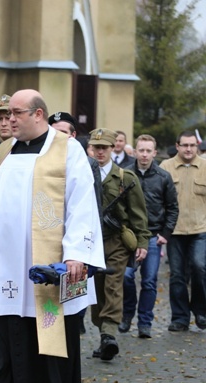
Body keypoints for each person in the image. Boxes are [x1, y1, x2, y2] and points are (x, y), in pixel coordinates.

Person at [0, 89, 105, 383]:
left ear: (38, 114)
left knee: (50, 339)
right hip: (7, 267)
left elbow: (82, 204)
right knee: (0, 337)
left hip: (48, 270)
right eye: (7, 114)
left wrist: (78, 254)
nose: (9, 120)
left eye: (16, 113)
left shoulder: (68, 150)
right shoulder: (3, 153)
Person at [88, 128, 150, 360]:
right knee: (96, 291)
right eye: (96, 147)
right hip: (90, 242)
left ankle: (109, 334)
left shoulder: (125, 178)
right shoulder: (83, 174)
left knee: (114, 285)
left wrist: (142, 241)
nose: (100, 152)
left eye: (104, 147)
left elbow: (138, 214)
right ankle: (104, 333)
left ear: (113, 148)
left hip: (116, 241)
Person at [48, 111, 103, 334]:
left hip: (78, 236)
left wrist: (87, 244)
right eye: (54, 132)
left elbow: (93, 204)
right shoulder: (42, 159)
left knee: (74, 293)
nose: (58, 137)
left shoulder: (87, 163)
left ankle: (75, 320)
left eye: (63, 132)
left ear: (73, 135)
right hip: (48, 236)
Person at [121, 134, 178, 338]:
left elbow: (172, 207)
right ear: (135, 151)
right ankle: (127, 314)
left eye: (148, 151)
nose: (144, 155)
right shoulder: (125, 174)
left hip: (154, 236)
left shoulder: (163, 177)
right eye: (141, 150)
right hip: (129, 237)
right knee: (126, 277)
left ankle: (145, 322)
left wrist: (165, 233)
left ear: (154, 153)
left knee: (149, 281)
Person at [159, 130, 206, 332]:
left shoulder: (205, 167)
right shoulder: (165, 167)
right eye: (184, 145)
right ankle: (180, 317)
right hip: (174, 231)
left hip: (200, 228)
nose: (188, 149)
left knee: (199, 267)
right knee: (177, 275)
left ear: (197, 146)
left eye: (192, 145)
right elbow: (157, 199)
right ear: (177, 146)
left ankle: (201, 311)